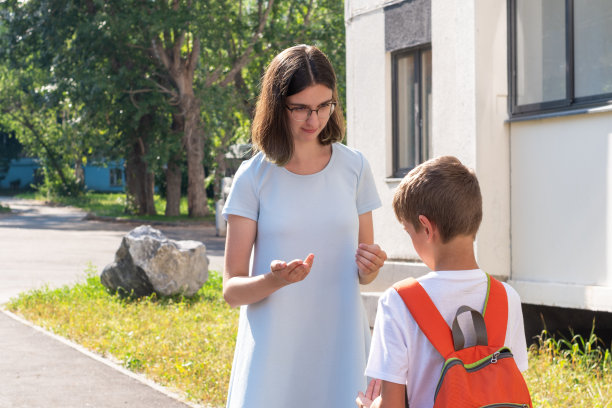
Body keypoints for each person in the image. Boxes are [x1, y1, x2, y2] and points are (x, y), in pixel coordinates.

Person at [222, 44, 388, 408]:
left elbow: (363, 273)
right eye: (300, 108)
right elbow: (232, 290)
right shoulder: (254, 177)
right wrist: (274, 280)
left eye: (324, 105)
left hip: (340, 345)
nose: (314, 119)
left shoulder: (355, 168)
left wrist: (371, 267)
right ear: (277, 104)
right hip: (273, 353)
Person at [356, 156, 528, 408]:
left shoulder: (398, 301)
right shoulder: (507, 297)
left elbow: (391, 405)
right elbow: (509, 385)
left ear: (425, 228)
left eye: (408, 231)